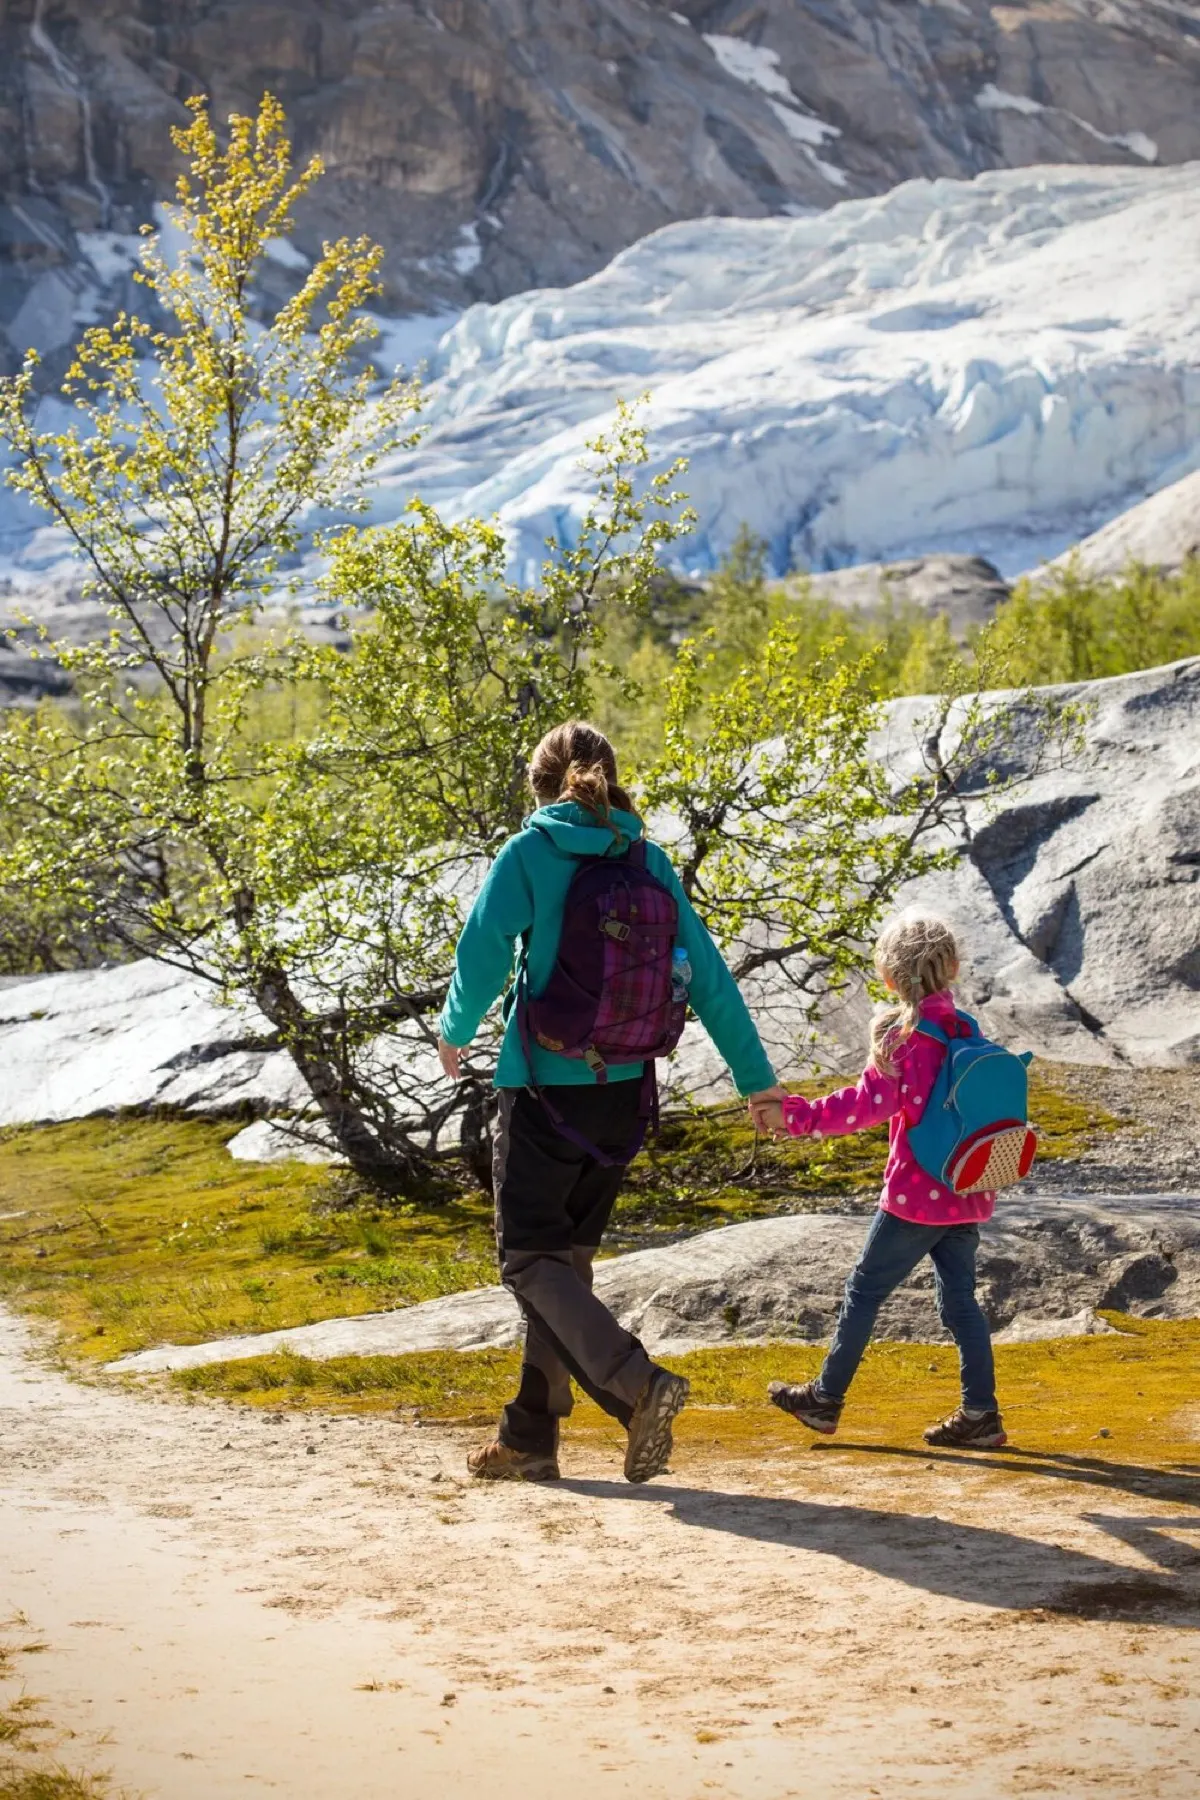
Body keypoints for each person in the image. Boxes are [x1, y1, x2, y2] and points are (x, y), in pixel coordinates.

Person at [438, 720, 784, 1484]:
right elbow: (713, 980)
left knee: (530, 1261)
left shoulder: (530, 853)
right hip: (624, 1093)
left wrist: (454, 1030)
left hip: (541, 1091)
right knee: (566, 1268)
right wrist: (756, 1081)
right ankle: (529, 1436)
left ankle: (637, 1386)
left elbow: (484, 951)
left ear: (540, 785)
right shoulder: (648, 859)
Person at [752, 914, 1007, 1449]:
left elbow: (864, 1106)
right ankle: (981, 1413)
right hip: (967, 1188)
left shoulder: (905, 1038)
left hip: (916, 1197)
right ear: (953, 968)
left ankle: (825, 1398)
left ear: (889, 978)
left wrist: (796, 1117)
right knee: (961, 1303)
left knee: (863, 1292)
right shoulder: (967, 1029)